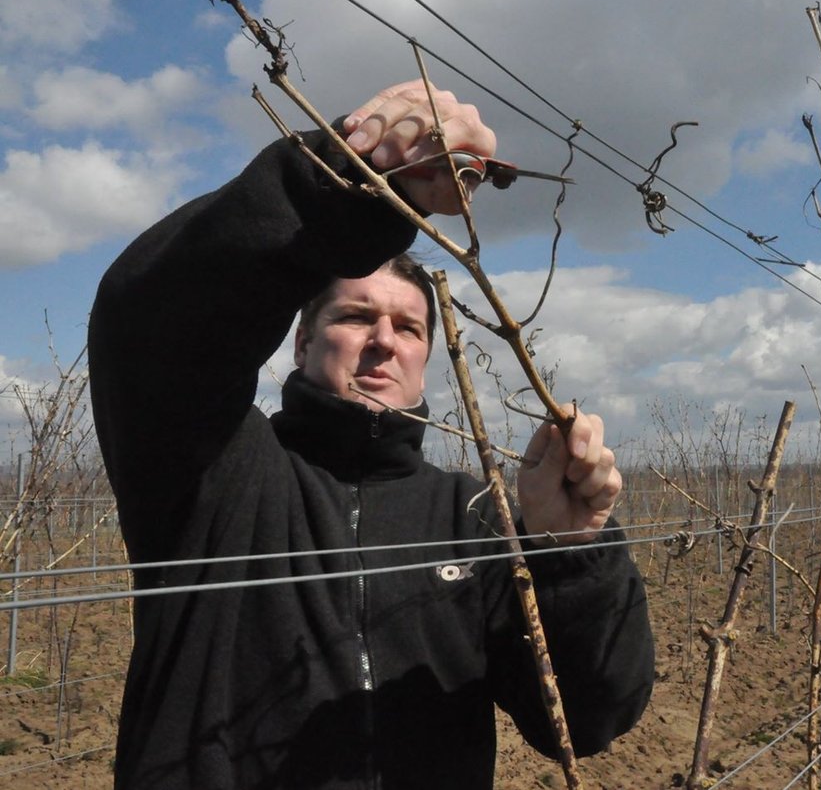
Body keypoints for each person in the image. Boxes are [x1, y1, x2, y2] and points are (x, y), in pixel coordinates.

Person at [89, 81, 654, 789]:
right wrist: (343, 184)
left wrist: (569, 554)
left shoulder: (472, 516)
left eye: (410, 326)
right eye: (356, 316)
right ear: (301, 343)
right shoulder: (216, 470)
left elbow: (588, 716)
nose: (384, 341)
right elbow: (152, 321)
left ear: (427, 359)